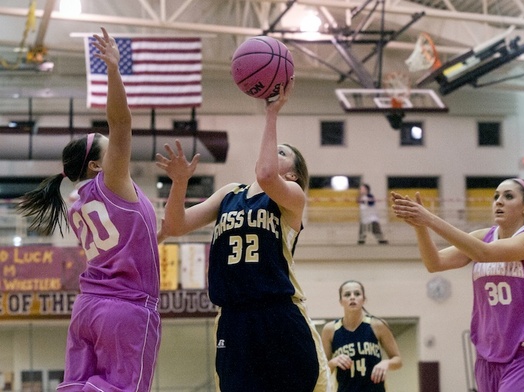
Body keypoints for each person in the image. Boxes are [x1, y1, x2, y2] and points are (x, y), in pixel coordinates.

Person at [156, 80, 330, 392]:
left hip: (279, 313)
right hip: (234, 318)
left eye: (282, 152)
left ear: (292, 174)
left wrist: (272, 114)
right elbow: (174, 225)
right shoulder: (229, 194)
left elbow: (265, 174)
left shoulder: (291, 197)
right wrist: (179, 182)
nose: (273, 151)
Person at [17, 28, 161, 391]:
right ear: (98, 165)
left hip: (86, 309)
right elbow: (122, 122)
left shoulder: (75, 202)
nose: (114, 146)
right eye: (106, 145)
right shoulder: (111, 184)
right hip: (125, 310)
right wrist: (113, 68)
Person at [391, 178, 524, 392]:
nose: (498, 201)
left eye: (508, 196)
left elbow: (484, 253)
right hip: (487, 355)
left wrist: (430, 219)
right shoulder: (482, 236)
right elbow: (435, 263)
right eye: (496, 196)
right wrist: (420, 226)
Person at [321, 280, 402, 392]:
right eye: (347, 294)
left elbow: (398, 360)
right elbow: (323, 370)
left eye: (357, 294)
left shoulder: (377, 325)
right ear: (341, 301)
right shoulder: (330, 330)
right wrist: (333, 362)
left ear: (364, 300)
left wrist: (386, 363)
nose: (352, 297)